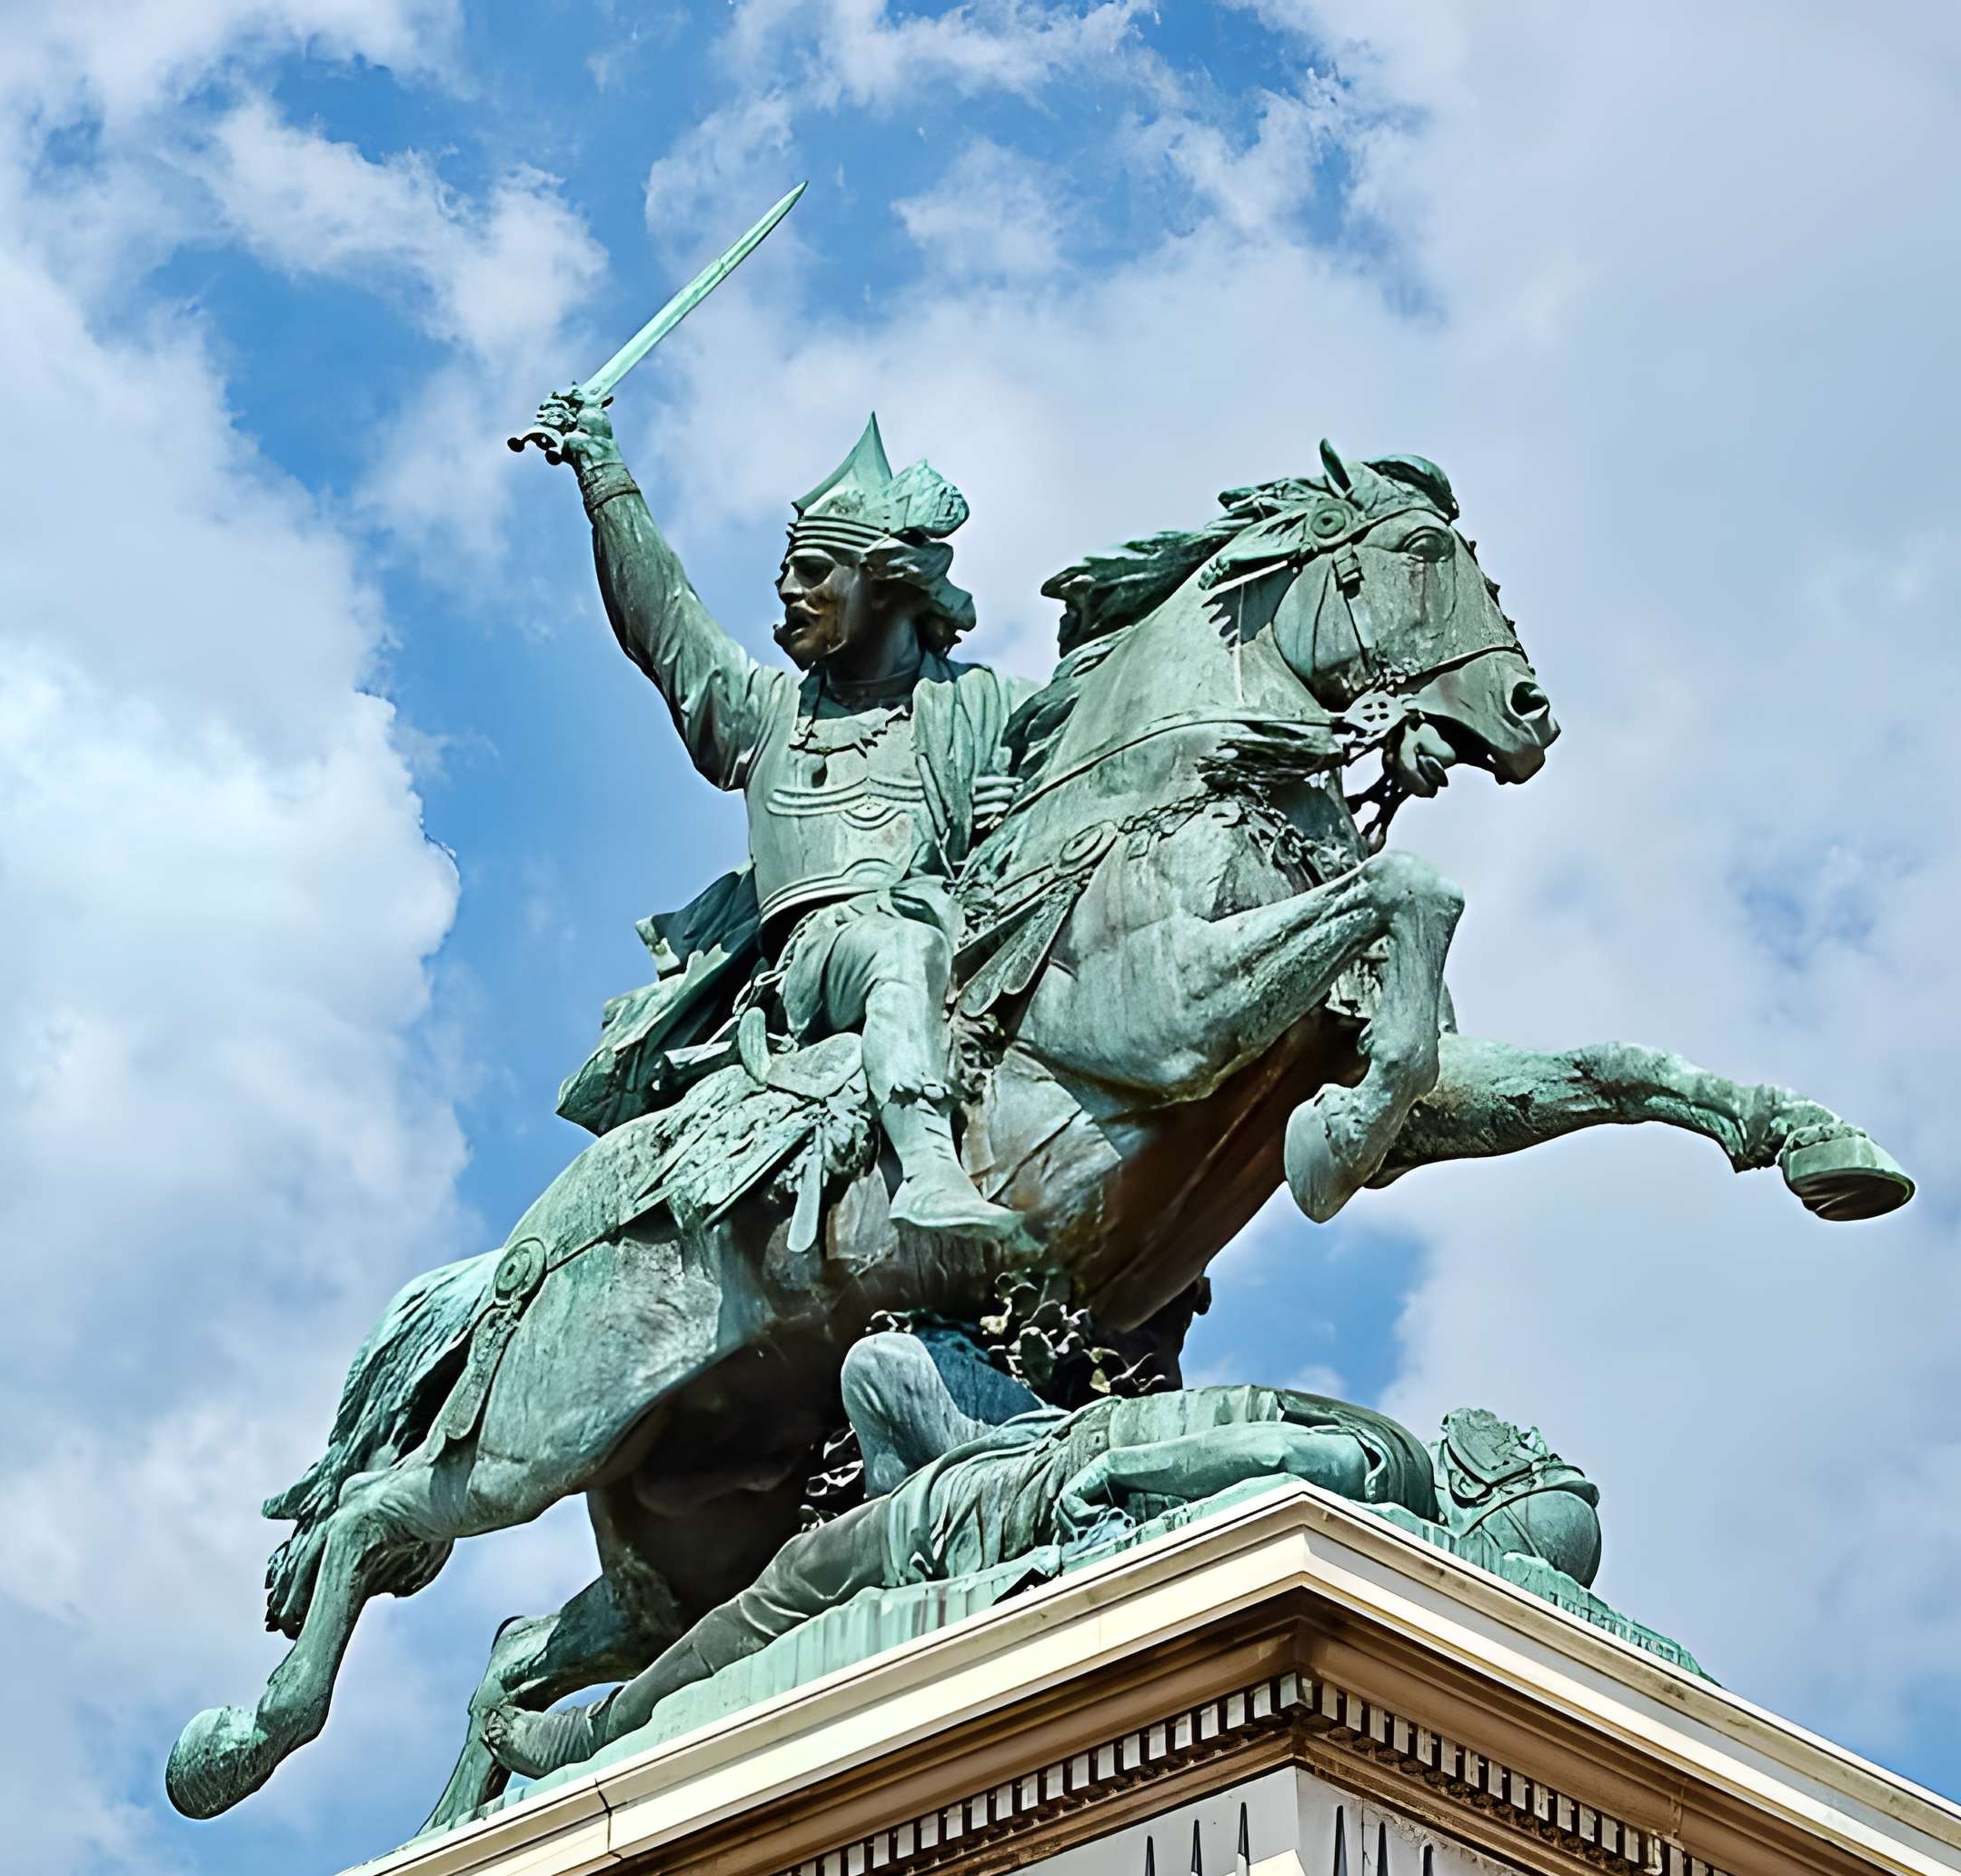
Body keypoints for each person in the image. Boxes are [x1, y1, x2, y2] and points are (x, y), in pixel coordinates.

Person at [480, 1339, 1602, 1779]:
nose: (1529, 1436)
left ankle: (594, 1728)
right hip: (1024, 1451)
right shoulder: (1388, 1475)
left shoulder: (1384, 1469)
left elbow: (1271, 1448)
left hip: (1008, 1494)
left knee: (779, 1600)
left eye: (1534, 1462)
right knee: (878, 1383)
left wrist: (1116, 1484)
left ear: (1486, 1494)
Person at [537, 393, 1034, 1246]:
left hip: (973, 935)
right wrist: (605, 478)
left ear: (884, 584)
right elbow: (664, 624)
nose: (787, 588)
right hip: (821, 959)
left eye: (813, 572)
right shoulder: (766, 714)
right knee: (897, 941)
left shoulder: (990, 706)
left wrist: (1012, 818)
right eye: (789, 569)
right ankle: (927, 1172)